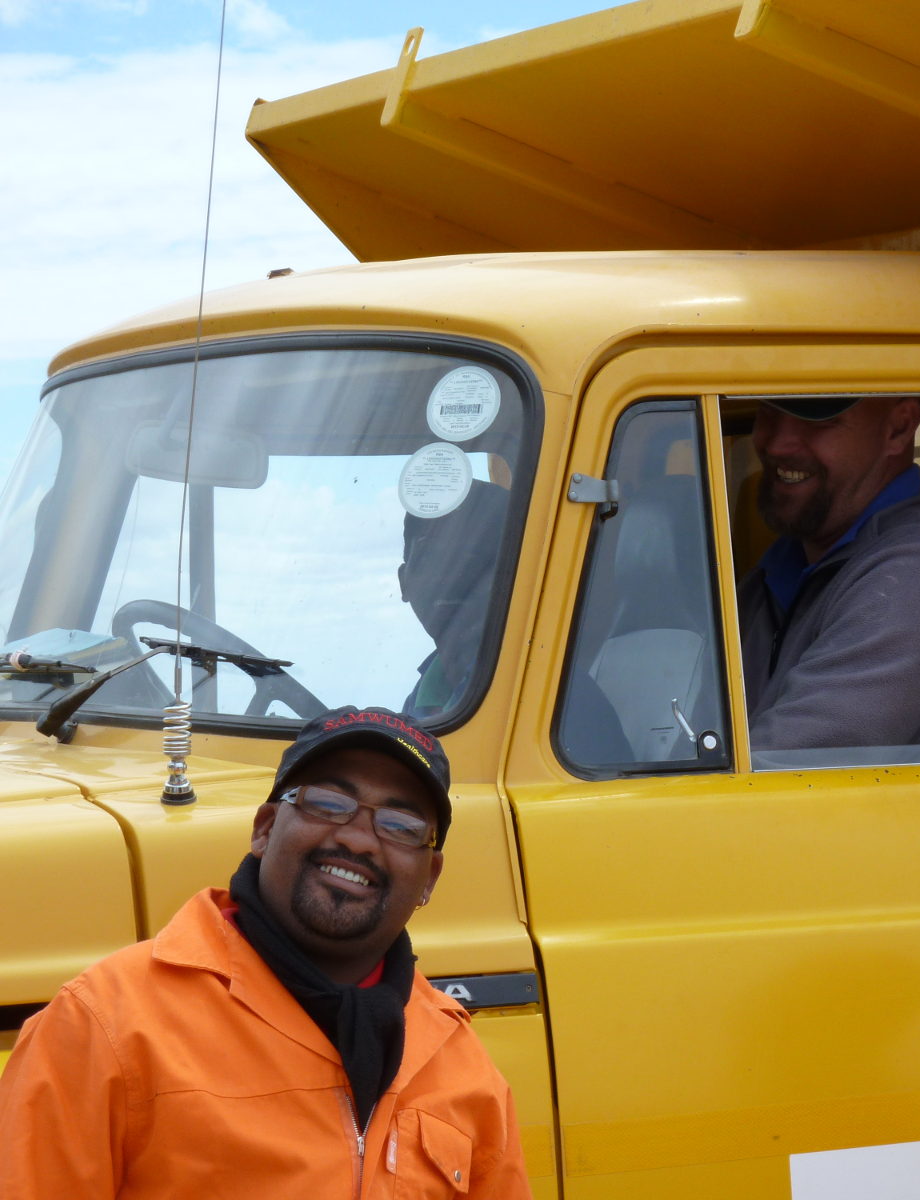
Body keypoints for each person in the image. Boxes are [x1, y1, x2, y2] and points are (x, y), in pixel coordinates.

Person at [0, 706, 531, 1199]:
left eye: (401, 827)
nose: (358, 840)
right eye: (328, 804)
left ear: (429, 879)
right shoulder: (105, 1025)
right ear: (265, 828)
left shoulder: (463, 1068)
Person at [737, 395, 920, 751]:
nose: (777, 444)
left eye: (818, 421)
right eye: (768, 413)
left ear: (898, 429)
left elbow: (786, 764)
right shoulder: (775, 571)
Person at [400, 481, 510, 717]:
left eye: (475, 556)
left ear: (512, 576)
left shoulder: (558, 698)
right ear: (403, 581)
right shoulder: (414, 706)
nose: (450, 576)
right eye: (430, 556)